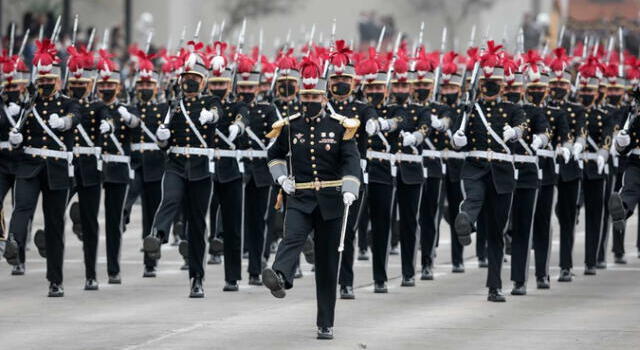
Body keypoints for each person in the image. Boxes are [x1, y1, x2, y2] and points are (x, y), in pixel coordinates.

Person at [262, 55, 360, 339]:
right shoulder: (290, 126)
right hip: (301, 197)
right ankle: (280, 276)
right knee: (291, 237)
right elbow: (274, 154)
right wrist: (281, 178)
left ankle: (325, 322)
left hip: (331, 199)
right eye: (305, 96)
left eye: (315, 95)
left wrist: (350, 189)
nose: (309, 101)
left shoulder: (341, 125)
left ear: (324, 95)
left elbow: (350, 162)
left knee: (327, 264)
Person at [146, 41, 222, 297]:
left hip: (200, 168)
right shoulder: (173, 104)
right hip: (177, 164)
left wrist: (210, 117)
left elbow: (217, 112)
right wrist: (162, 136)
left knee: (198, 226)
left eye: (194, 78)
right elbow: (164, 142)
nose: (189, 81)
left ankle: (197, 278)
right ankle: (157, 234)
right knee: (170, 198)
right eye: (186, 77)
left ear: (203, 81)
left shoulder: (210, 101)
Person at [453, 41, 526, 302]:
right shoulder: (471, 109)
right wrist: (457, 139)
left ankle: (494, 285)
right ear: (480, 85)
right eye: (485, 84)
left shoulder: (512, 109)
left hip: (502, 172)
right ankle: (466, 221)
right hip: (474, 167)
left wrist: (514, 132)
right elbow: (456, 135)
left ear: (503, 85)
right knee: (472, 198)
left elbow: (523, 126)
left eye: (493, 83)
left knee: (496, 231)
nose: (489, 88)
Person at [6, 39, 80, 297]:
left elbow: (75, 118)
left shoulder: (69, 104)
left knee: (54, 224)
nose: (46, 83)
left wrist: (64, 122)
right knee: (22, 207)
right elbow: (20, 136)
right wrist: (16, 141)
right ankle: (14, 242)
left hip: (56, 170)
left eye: (50, 80)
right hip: (29, 166)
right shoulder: (30, 105)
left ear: (59, 81)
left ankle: (55, 280)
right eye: (42, 79)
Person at [205, 43, 250, 292]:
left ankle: (231, 276)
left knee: (233, 224)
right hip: (207, 169)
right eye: (215, 84)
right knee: (199, 219)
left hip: (231, 170)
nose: (218, 88)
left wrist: (237, 127)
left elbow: (244, 117)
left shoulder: (235, 107)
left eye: (222, 84)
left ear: (229, 85)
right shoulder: (201, 108)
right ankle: (197, 270)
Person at [95, 49, 140, 285]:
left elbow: (136, 125)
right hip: (92, 167)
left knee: (113, 221)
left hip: (117, 168)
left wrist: (125, 117)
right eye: (102, 85)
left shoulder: (127, 109)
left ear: (119, 87)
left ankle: (113, 268)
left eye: (110, 84)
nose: (106, 89)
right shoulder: (91, 108)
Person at [506, 53, 549, 296]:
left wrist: (540, 141)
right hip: (501, 173)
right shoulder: (499, 111)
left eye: (516, 86)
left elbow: (545, 131)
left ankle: (519, 279)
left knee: (523, 227)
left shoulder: (533, 112)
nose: (512, 90)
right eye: (508, 86)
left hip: (526, 175)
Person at [235, 54, 278, 286]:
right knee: (242, 220)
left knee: (260, 220)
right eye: (242, 87)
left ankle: (257, 265)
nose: (246, 91)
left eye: (250, 86)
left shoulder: (267, 109)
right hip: (241, 169)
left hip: (261, 171)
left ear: (258, 87)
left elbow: (277, 134)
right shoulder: (234, 108)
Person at [125, 49, 168, 278]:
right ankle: (122, 217)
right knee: (127, 195)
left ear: (155, 87)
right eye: (140, 85)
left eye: (147, 85)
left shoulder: (163, 109)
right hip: (134, 164)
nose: (143, 89)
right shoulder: (130, 107)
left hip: (155, 165)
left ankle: (150, 259)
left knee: (151, 215)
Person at [547, 48, 585, 282]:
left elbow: (580, 132)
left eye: (563, 83)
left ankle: (565, 265)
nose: (559, 87)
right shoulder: (543, 107)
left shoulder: (577, 109)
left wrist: (576, 147)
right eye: (556, 83)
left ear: (570, 86)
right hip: (547, 165)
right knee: (542, 214)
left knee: (566, 215)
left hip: (569, 166)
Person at [0, 52, 29, 274]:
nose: (11, 91)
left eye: (15, 87)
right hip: (1, 162)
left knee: (20, 209)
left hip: (21, 161)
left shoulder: (29, 106)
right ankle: (2, 238)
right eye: (7, 88)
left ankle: (17, 254)